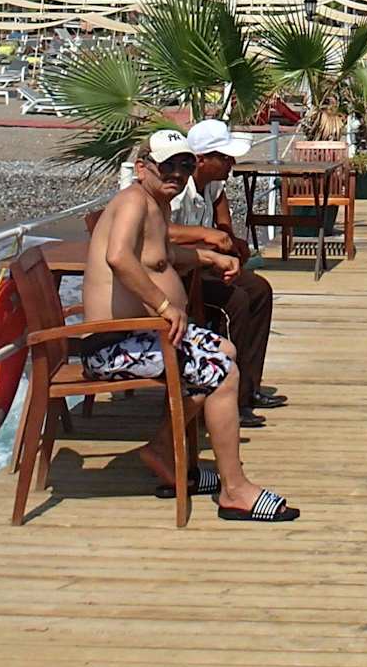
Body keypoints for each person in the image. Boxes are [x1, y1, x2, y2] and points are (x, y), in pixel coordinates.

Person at [81, 131, 299, 521]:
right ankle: (235, 490)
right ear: (142, 168)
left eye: (185, 165)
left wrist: (209, 258)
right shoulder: (132, 201)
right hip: (114, 345)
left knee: (226, 351)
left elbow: (162, 255)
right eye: (168, 165)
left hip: (139, 336)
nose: (177, 173)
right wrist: (165, 304)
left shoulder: (155, 204)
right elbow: (119, 257)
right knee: (221, 372)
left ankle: (163, 449)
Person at [168, 119, 285, 426]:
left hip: (205, 265)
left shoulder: (214, 185)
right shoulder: (177, 189)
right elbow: (160, 230)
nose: (231, 163)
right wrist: (207, 235)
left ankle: (249, 386)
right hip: (179, 275)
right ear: (201, 160)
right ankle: (230, 397)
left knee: (260, 290)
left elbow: (224, 223)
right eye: (224, 157)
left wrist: (231, 241)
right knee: (235, 301)